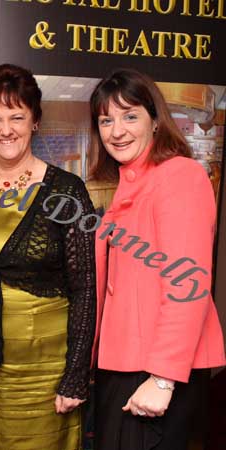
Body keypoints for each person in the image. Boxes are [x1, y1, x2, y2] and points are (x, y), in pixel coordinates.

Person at [0, 64, 96, 450]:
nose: (6, 129)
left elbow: (85, 290)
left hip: (44, 376)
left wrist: (75, 376)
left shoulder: (66, 190)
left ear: (35, 121)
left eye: (17, 116)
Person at [89, 68, 226, 450]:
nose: (117, 130)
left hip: (156, 371)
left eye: (130, 116)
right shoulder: (130, 182)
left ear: (155, 121)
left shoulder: (179, 175)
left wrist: (163, 378)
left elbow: (189, 283)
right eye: (106, 120)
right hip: (124, 366)